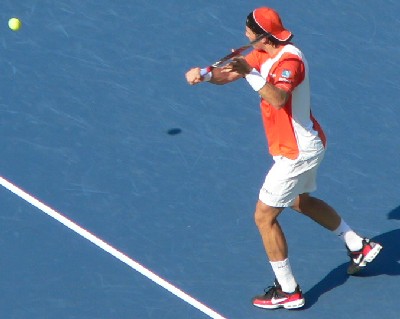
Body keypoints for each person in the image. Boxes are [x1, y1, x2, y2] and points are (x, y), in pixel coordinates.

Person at [185, 7, 382, 310]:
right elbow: (229, 74)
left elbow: (278, 98)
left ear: (261, 34)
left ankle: (288, 290)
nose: (245, 32)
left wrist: (248, 72)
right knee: (298, 200)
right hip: (299, 148)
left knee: (264, 216)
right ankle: (357, 244)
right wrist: (207, 74)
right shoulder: (261, 51)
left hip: (297, 152)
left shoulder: (290, 60)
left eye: (248, 28)